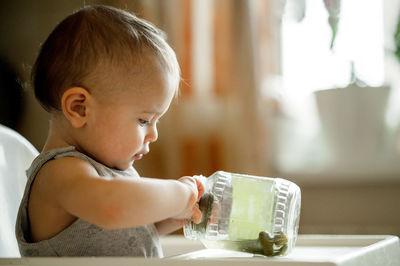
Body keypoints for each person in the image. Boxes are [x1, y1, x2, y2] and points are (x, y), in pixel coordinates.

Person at [15, 5, 204, 257]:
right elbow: (113, 208)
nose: (153, 134)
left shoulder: (106, 177)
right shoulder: (59, 173)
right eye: (143, 120)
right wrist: (182, 195)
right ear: (79, 108)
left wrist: (177, 216)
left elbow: (126, 234)